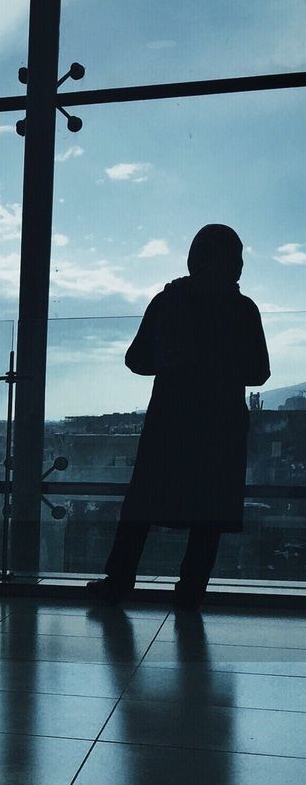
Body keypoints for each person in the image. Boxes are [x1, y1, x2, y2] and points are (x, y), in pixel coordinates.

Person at [87, 224, 269, 610]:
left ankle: (118, 583)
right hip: (221, 427)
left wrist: (174, 359)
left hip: (171, 421)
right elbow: (259, 373)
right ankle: (191, 592)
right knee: (209, 514)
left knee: (142, 505)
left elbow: (136, 359)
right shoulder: (243, 310)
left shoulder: (168, 301)